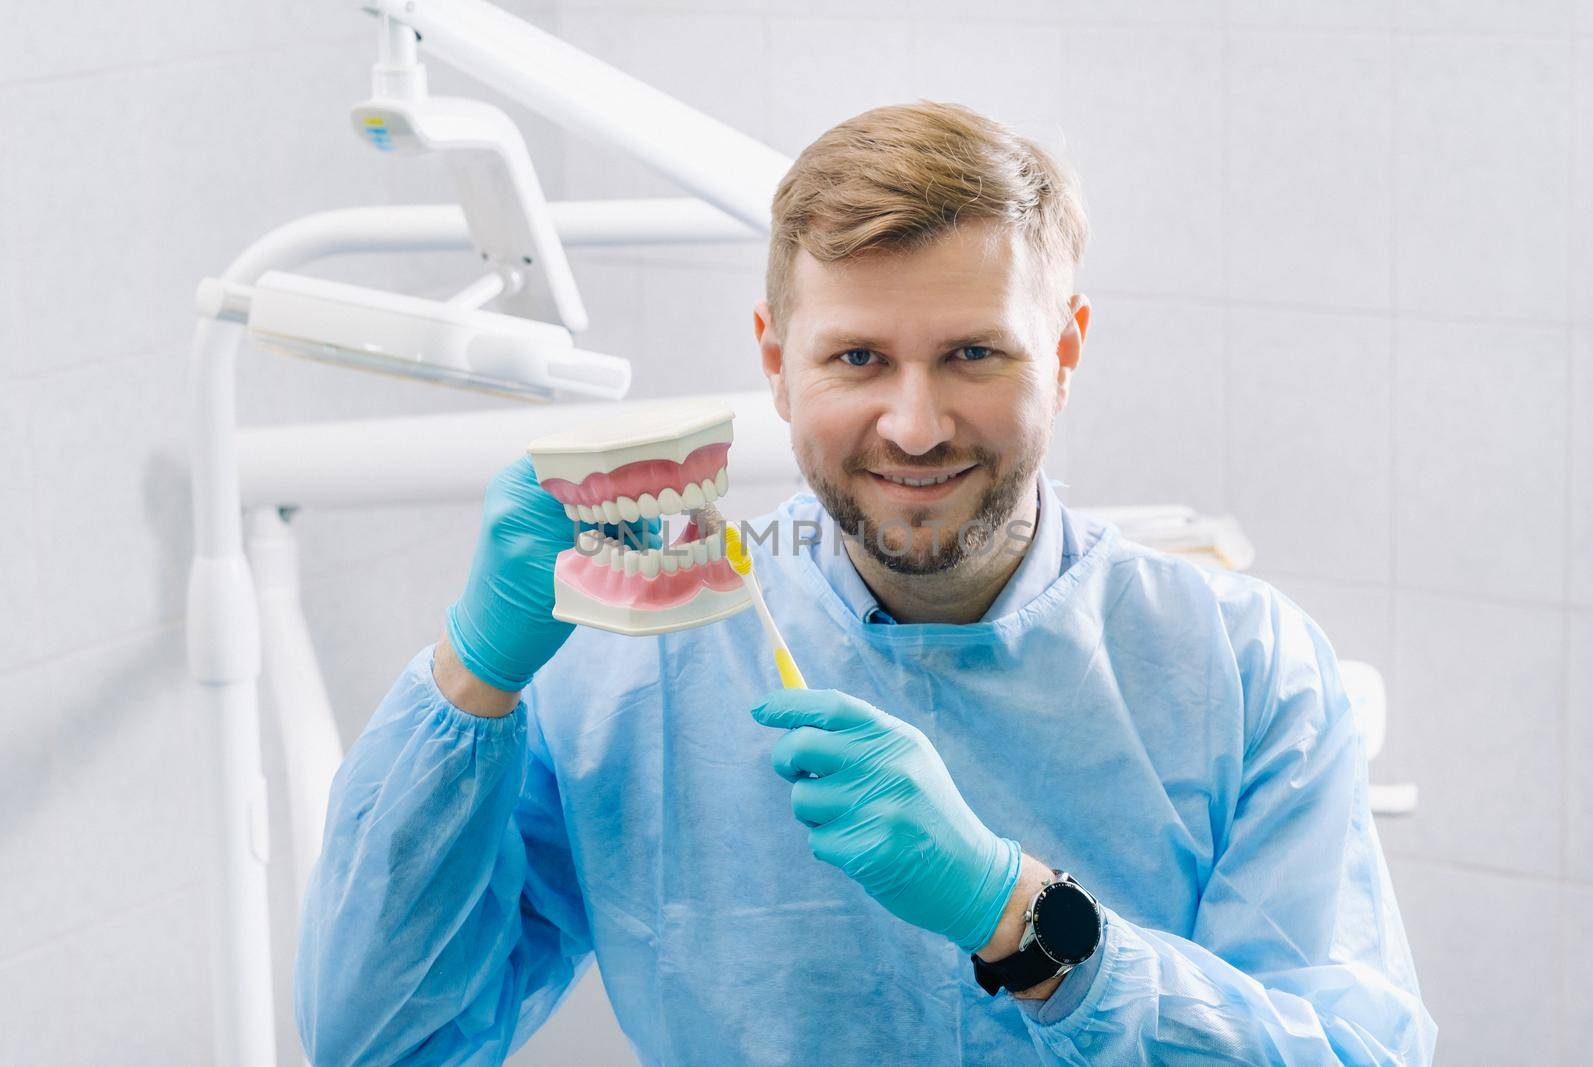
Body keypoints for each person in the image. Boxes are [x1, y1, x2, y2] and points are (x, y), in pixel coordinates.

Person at [294, 101, 1436, 1065]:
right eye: (857, 358)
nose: (914, 423)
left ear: (1066, 351)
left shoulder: (1241, 667)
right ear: (774, 362)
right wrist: (472, 675)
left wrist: (1023, 919)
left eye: (972, 354)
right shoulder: (627, 670)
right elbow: (381, 1041)